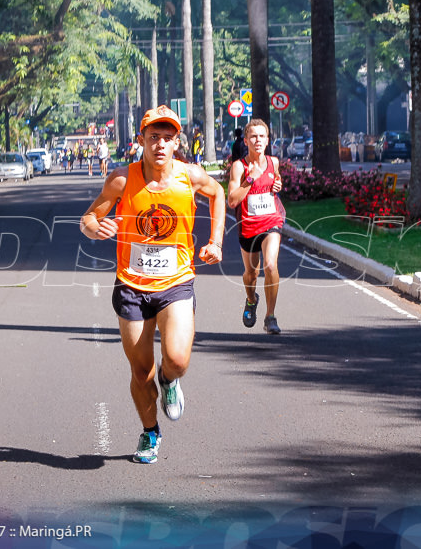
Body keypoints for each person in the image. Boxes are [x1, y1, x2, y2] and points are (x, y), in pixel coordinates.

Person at [80, 105, 225, 464]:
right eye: (154, 137)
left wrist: (216, 240)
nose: (160, 144)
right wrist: (95, 228)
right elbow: (88, 218)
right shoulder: (121, 179)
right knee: (139, 370)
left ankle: (170, 380)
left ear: (178, 143)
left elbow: (218, 193)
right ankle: (149, 432)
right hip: (131, 286)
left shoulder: (189, 177)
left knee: (176, 359)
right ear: (141, 140)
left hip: (176, 281)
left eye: (168, 138)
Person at [228, 119, 284, 334]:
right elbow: (232, 200)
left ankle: (270, 317)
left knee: (270, 265)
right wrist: (250, 178)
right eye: (253, 136)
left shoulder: (274, 162)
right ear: (246, 140)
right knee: (251, 273)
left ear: (267, 140)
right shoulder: (239, 167)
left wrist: (277, 184)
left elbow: (275, 182)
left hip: (271, 221)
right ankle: (251, 300)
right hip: (248, 227)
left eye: (262, 136)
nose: (258, 140)